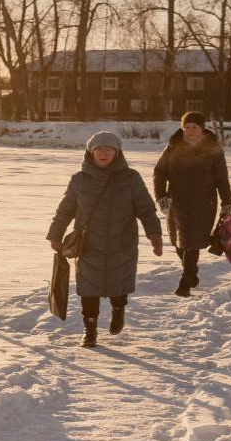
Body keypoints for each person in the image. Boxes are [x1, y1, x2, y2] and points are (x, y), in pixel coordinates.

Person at [48, 131, 164, 348]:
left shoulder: (131, 178)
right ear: (90, 153)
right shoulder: (79, 180)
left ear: (117, 153)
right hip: (88, 244)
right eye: (99, 149)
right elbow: (65, 210)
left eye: (109, 149)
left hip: (122, 243)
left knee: (118, 287)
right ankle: (89, 331)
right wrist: (55, 234)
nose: (103, 153)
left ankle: (118, 310)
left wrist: (154, 234)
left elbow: (146, 209)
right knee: (88, 289)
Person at [152, 111, 231, 297]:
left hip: (204, 202)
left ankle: (185, 283)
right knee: (178, 241)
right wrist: (161, 197)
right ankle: (192, 273)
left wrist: (227, 201)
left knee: (192, 242)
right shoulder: (172, 147)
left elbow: (222, 178)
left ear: (202, 129)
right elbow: (159, 172)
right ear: (182, 128)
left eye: (194, 127)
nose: (190, 130)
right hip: (177, 201)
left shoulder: (213, 150)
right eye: (187, 126)